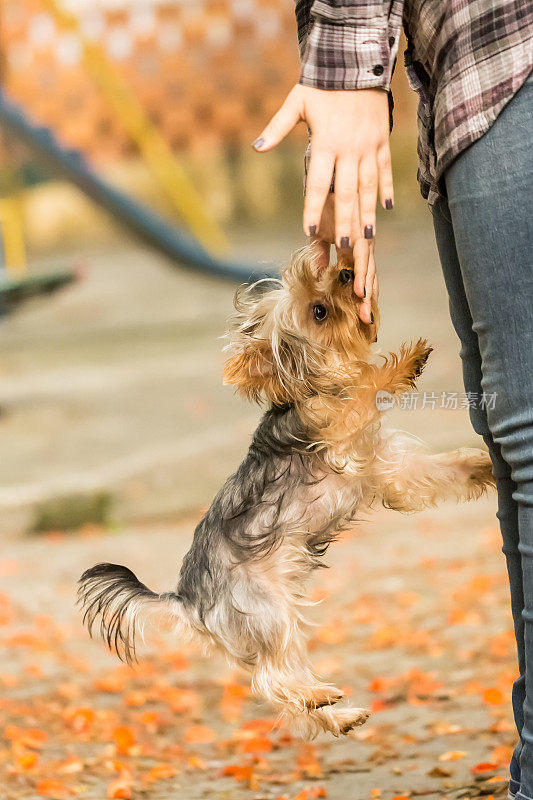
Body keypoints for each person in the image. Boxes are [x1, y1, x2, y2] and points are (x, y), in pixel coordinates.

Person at [252, 1, 533, 796]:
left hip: (494, 49)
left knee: (521, 440)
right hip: (465, 67)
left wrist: (343, 58)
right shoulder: (311, 409)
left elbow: (387, 465)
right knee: (512, 444)